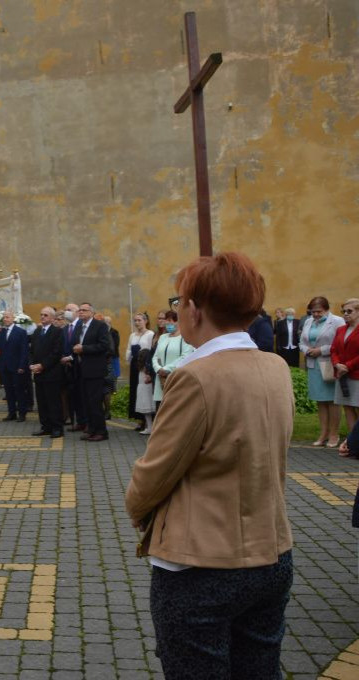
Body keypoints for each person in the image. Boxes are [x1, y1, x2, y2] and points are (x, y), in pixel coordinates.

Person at [125, 252, 293, 679]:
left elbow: (156, 471)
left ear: (195, 310)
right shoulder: (275, 367)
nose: (178, 311)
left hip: (200, 562)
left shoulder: (195, 375)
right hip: (271, 552)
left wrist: (136, 508)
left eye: (180, 301)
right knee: (259, 668)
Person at [300, 296, 345, 447]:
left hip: (328, 364)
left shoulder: (337, 321)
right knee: (320, 401)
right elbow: (302, 341)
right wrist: (307, 350)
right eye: (313, 312)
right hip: (313, 365)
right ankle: (323, 433)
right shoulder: (308, 321)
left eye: (319, 311)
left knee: (332, 401)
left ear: (327, 309)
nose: (316, 315)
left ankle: (334, 434)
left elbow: (339, 342)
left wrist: (321, 350)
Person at [72, 303, 112, 442]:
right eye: (79, 310)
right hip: (81, 369)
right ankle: (91, 428)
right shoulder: (78, 327)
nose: (81, 312)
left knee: (95, 402)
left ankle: (101, 431)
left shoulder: (99, 326)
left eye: (84, 310)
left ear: (91, 312)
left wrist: (84, 349)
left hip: (95, 370)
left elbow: (104, 345)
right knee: (86, 402)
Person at [30, 307, 65, 439]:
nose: (42, 317)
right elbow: (32, 350)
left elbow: (56, 353)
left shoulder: (57, 332)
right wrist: (32, 364)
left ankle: (57, 428)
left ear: (52, 318)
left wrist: (42, 365)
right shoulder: (37, 331)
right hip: (38, 373)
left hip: (51, 373)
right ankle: (46, 426)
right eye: (41, 314)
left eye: (45, 315)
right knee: (42, 401)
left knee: (53, 402)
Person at [331, 298, 359, 452]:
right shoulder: (341, 329)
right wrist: (337, 364)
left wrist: (347, 366)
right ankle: (353, 444)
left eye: (350, 311)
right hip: (342, 374)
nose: (346, 314)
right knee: (348, 407)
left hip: (356, 374)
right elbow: (333, 349)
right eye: (344, 312)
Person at [0, 311, 29, 422]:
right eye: (4, 317)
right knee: (8, 391)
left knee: (19, 390)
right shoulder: (1, 332)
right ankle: (11, 413)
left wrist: (22, 365)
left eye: (7, 317)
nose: (5, 319)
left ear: (13, 319)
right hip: (5, 366)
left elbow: (24, 350)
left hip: (17, 366)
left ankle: (22, 413)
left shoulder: (20, 332)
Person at [152, 310, 194, 407]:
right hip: (161, 378)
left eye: (171, 321)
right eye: (167, 321)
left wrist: (166, 369)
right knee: (161, 407)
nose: (168, 323)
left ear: (178, 322)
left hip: (175, 377)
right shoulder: (163, 337)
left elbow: (185, 357)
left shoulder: (185, 338)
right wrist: (158, 369)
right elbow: (155, 356)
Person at [126, 313, 154, 431]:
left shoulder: (150, 334)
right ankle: (140, 419)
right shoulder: (132, 335)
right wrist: (130, 355)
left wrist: (147, 364)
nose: (137, 323)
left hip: (145, 365)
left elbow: (151, 349)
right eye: (135, 320)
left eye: (139, 320)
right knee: (136, 391)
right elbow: (128, 349)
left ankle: (150, 421)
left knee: (146, 391)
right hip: (135, 365)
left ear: (146, 321)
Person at [103, 315, 120, 420]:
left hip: (111, 360)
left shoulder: (113, 332)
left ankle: (108, 410)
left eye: (108, 322)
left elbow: (114, 346)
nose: (106, 324)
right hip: (104, 362)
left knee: (109, 387)